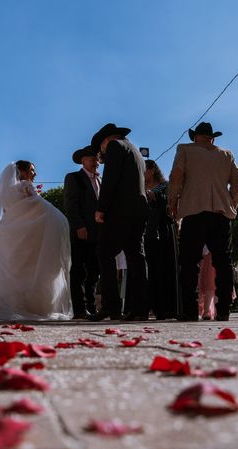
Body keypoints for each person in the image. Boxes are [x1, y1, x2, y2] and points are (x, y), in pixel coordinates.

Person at [0, 161, 72, 320]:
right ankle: (31, 306)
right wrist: (60, 219)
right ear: (21, 172)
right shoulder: (26, 186)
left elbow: (7, 213)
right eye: (31, 170)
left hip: (9, 233)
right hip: (28, 235)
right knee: (28, 269)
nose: (34, 174)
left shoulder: (6, 191)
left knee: (12, 270)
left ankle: (8, 304)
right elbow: (41, 208)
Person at [168, 122, 238, 322]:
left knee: (189, 263)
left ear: (195, 137)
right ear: (213, 138)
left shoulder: (184, 150)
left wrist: (172, 202)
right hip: (220, 214)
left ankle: (190, 310)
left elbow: (176, 177)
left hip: (194, 211)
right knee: (223, 262)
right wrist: (231, 204)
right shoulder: (226, 155)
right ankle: (224, 309)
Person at [89, 123, 149, 322]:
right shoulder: (136, 151)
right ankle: (140, 308)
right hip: (139, 209)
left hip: (121, 210)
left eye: (100, 149)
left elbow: (110, 179)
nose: (101, 154)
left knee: (104, 252)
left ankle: (110, 306)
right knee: (136, 257)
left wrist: (101, 208)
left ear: (106, 141)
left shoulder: (115, 146)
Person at [63, 147, 101, 319]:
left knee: (95, 270)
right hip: (81, 231)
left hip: (98, 233)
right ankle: (79, 309)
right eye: (93, 159)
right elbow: (71, 204)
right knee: (78, 270)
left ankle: (92, 307)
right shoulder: (74, 178)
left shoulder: (102, 179)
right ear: (83, 161)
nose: (96, 162)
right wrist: (79, 226)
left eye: (97, 159)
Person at [144, 159, 179, 319]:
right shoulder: (141, 189)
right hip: (149, 233)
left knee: (166, 268)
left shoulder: (165, 186)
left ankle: (169, 307)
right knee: (152, 270)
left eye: (143, 170)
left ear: (151, 170)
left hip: (164, 231)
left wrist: (155, 195)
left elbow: (170, 202)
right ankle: (156, 307)